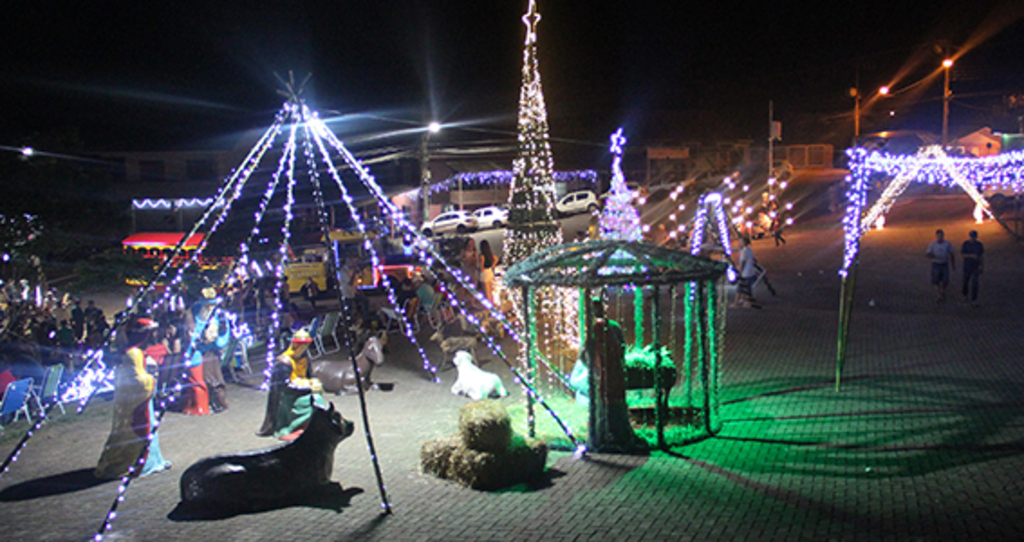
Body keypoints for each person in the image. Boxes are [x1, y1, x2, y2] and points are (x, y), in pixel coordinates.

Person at [94, 317, 171, 479]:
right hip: (139, 401)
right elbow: (137, 379)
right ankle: (140, 464)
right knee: (142, 430)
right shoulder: (133, 354)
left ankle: (153, 461)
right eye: (150, 334)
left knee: (150, 430)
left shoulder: (137, 352)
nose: (153, 337)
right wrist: (151, 380)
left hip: (143, 400)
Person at [256, 329, 327, 440]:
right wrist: (308, 388)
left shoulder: (304, 359)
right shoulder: (284, 363)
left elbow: (308, 375)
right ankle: (294, 426)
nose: (303, 349)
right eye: (301, 346)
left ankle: (312, 425)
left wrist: (313, 383)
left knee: (317, 397)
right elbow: (286, 386)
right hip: (289, 395)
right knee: (309, 401)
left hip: (302, 390)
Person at [926, 229, 956, 302]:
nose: (940, 237)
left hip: (944, 264)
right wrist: (934, 256)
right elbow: (928, 254)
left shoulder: (947, 243)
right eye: (938, 236)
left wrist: (953, 264)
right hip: (936, 263)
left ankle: (942, 291)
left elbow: (951, 254)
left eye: (941, 235)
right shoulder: (933, 244)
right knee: (936, 280)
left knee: (945, 280)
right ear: (936, 236)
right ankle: (939, 295)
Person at [961, 230, 984, 306]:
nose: (973, 238)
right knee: (965, 282)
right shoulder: (966, 244)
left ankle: (974, 299)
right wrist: (971, 256)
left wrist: (982, 266)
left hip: (975, 266)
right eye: (972, 237)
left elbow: (981, 256)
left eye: (974, 237)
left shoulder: (979, 245)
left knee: (975, 283)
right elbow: (963, 254)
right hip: (967, 266)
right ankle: (965, 294)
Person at [737, 237, 759, 308]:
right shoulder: (749, 250)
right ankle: (746, 301)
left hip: (745, 273)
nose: (738, 243)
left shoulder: (744, 251)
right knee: (747, 288)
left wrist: (738, 272)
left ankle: (738, 303)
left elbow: (742, 263)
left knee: (740, 288)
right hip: (750, 272)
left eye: (740, 242)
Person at [479, 240, 498, 305]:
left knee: (487, 292)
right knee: (491, 290)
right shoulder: (490, 254)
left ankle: (490, 305)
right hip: (490, 272)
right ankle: (493, 303)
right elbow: (496, 259)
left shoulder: (482, 256)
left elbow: (481, 267)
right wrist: (492, 266)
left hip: (485, 274)